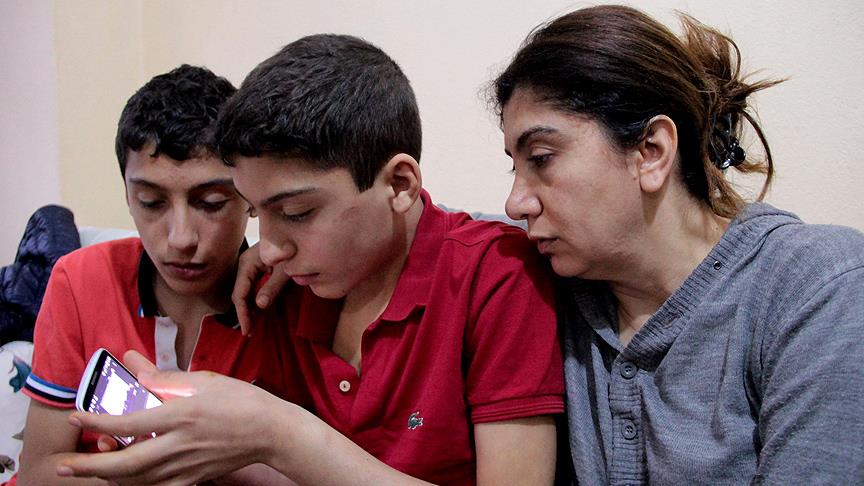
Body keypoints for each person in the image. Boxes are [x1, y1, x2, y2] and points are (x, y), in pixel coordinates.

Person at [55, 34, 564, 485]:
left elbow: (296, 449)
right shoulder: (288, 287)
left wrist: (279, 432)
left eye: (296, 213)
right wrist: (202, 452)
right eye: (256, 212)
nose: (270, 247)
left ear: (399, 184)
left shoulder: (497, 275)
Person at [493, 5, 864, 484]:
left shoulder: (816, 289)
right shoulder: (544, 283)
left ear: (651, 152)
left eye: (542, 157)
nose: (516, 202)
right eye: (515, 166)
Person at [14, 65, 290, 485]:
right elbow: (37, 471)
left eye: (211, 202)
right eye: (151, 201)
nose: (180, 239)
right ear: (127, 195)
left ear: (251, 197)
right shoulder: (80, 279)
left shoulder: (289, 292)